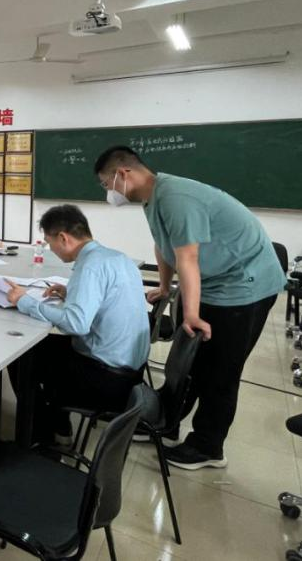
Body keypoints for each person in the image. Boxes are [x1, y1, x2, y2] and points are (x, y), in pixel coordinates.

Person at [94, 146, 283, 470]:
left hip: (243, 287)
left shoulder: (176, 197)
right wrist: (165, 287)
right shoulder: (153, 197)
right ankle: (166, 423)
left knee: (220, 370)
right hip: (213, 281)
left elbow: (188, 257)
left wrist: (192, 313)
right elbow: (163, 244)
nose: (108, 191)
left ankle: (208, 446)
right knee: (188, 362)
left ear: (123, 173)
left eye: (105, 183)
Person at [4, 204, 150, 446]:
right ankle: (60, 424)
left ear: (63, 238)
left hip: (107, 378)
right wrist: (72, 292)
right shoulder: (116, 257)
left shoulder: (90, 266)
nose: (51, 249)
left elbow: (76, 324)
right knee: (41, 348)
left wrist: (25, 301)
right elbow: (105, 298)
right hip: (131, 372)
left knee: (21, 358)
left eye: (49, 242)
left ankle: (42, 438)